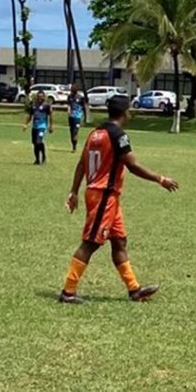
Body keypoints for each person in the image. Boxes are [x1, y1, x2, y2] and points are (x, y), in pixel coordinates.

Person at [60, 95, 177, 304]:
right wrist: (160, 179)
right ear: (125, 113)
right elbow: (132, 165)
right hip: (104, 195)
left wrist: (74, 191)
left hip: (104, 195)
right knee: (90, 243)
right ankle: (68, 291)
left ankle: (134, 289)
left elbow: (81, 163)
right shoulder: (118, 135)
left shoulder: (95, 133)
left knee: (119, 241)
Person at [23, 91, 54, 165]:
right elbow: (30, 116)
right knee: (35, 143)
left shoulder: (47, 106)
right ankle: (37, 159)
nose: (40, 98)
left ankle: (43, 155)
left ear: (44, 97)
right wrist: (25, 124)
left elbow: (51, 116)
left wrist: (51, 126)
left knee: (38, 141)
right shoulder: (34, 105)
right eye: (39, 97)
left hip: (42, 127)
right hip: (35, 127)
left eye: (41, 97)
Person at [66, 83, 88, 152]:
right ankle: (73, 145)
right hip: (71, 117)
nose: (72, 90)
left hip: (77, 117)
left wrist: (85, 117)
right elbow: (69, 105)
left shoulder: (80, 97)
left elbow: (84, 108)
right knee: (71, 132)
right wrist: (68, 110)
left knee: (75, 132)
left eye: (73, 89)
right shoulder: (70, 97)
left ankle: (74, 147)